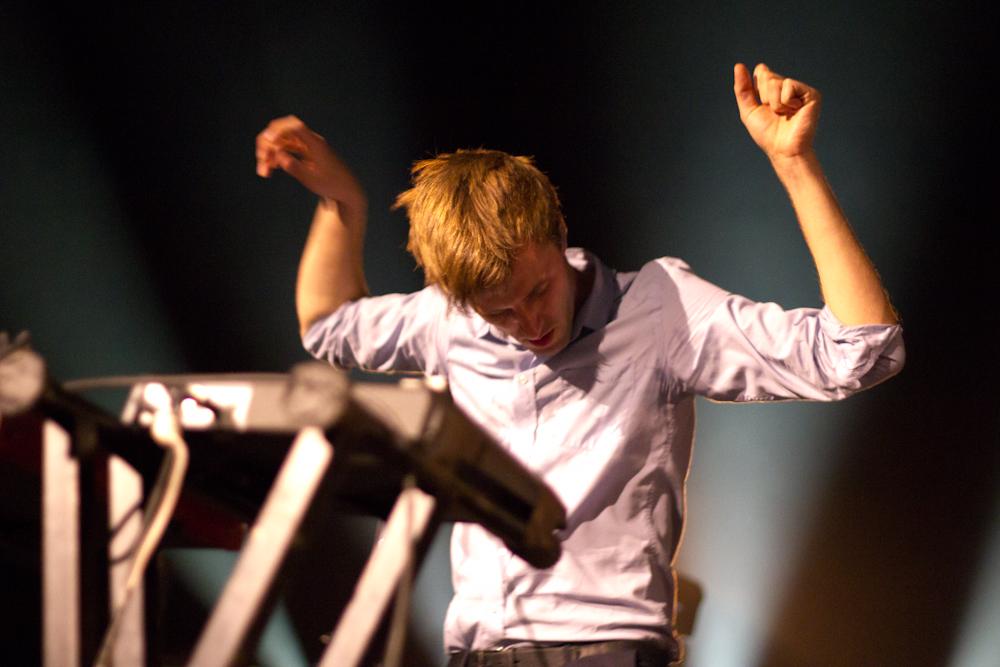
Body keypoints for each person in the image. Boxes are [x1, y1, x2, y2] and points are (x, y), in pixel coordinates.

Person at [255, 64, 904, 666]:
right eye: (499, 313)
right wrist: (343, 202)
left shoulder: (660, 308)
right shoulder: (445, 319)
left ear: (559, 235)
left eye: (538, 290)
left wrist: (795, 165)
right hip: (478, 651)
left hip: (604, 648)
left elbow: (860, 348)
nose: (529, 323)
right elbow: (328, 325)